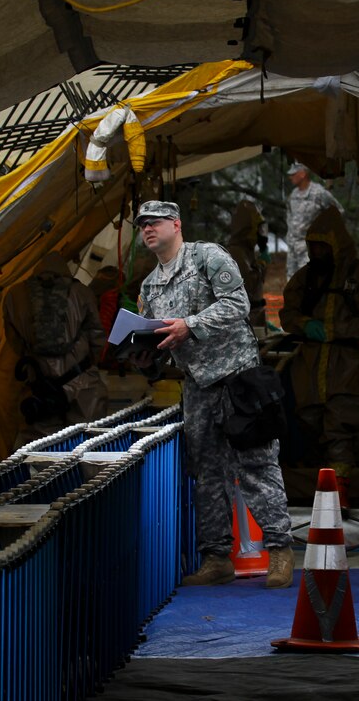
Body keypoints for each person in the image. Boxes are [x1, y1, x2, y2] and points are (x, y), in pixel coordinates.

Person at [132, 200, 294, 589]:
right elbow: (156, 336)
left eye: (154, 222)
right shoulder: (149, 286)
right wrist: (138, 351)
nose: (147, 230)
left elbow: (238, 305)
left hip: (238, 380)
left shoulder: (207, 257)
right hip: (198, 386)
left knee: (255, 465)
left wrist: (191, 324)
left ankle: (281, 550)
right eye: (141, 226)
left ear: (176, 223)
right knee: (206, 474)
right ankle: (217, 557)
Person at [280, 207, 359, 505]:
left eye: (321, 245)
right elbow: (288, 313)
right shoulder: (306, 278)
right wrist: (305, 325)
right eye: (312, 246)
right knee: (310, 427)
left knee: (339, 430)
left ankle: (338, 498)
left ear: (336, 244)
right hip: (308, 367)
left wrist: (336, 330)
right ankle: (319, 494)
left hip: (345, 366)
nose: (316, 252)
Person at [3, 251, 109, 444]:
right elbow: (97, 337)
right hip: (82, 383)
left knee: (42, 448)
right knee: (88, 443)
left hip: (39, 384)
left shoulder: (14, 295)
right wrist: (89, 362)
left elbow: (15, 342)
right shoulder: (82, 292)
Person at [285, 162, 342, 279]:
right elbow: (289, 215)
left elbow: (338, 212)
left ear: (302, 174)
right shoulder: (293, 195)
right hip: (293, 248)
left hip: (310, 249)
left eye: (293, 174)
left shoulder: (319, 193)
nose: (290, 177)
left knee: (309, 281)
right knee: (292, 282)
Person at [225, 200, 271, 330]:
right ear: (249, 228)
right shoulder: (236, 253)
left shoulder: (246, 251)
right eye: (258, 228)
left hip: (253, 319)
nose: (261, 233)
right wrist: (263, 264)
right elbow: (249, 286)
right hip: (244, 324)